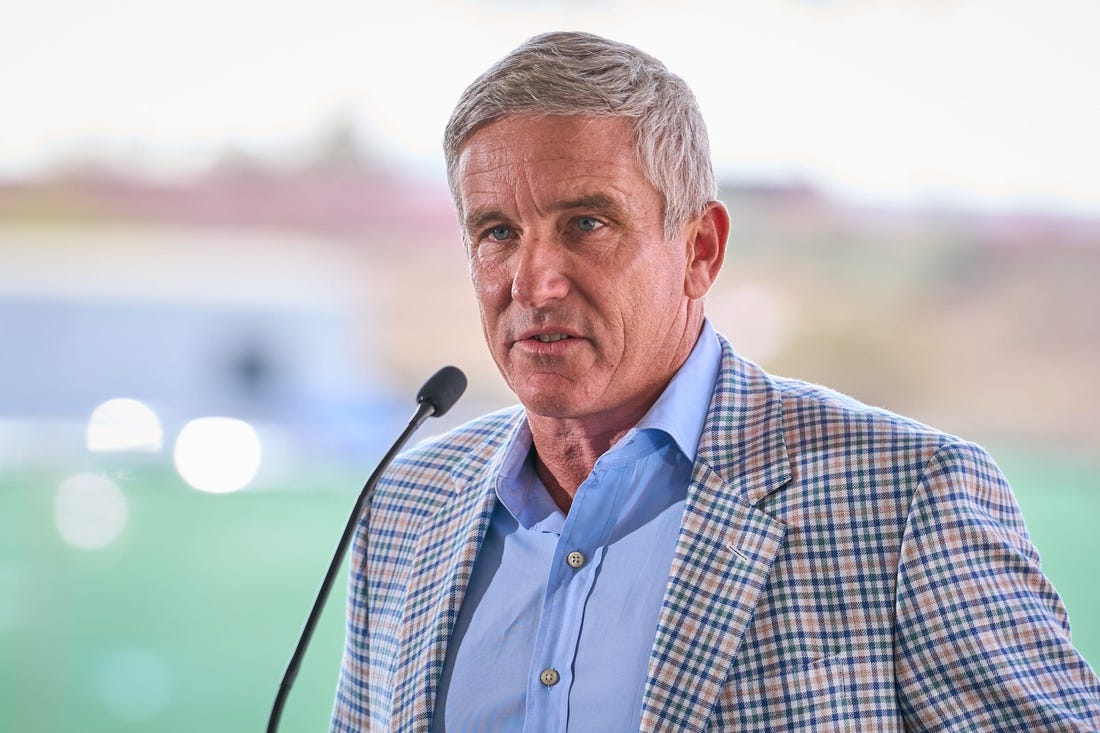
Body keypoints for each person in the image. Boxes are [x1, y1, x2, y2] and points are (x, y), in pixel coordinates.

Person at [331, 31, 1100, 732]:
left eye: (586, 224)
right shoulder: (403, 507)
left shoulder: (908, 496)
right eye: (497, 232)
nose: (535, 282)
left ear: (700, 247)